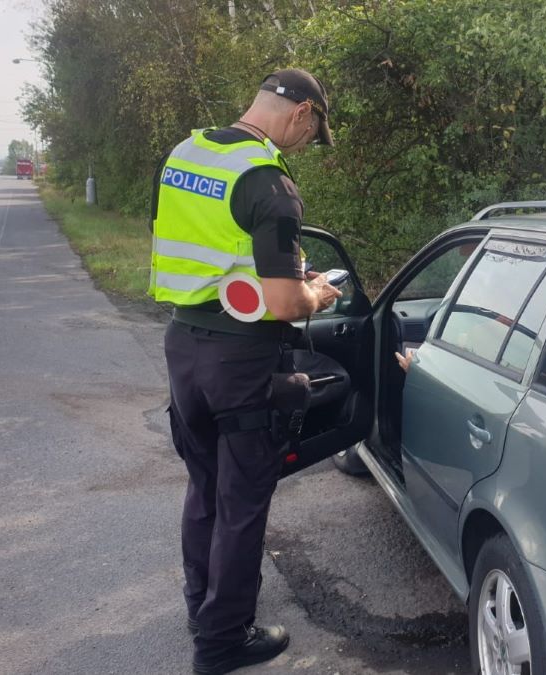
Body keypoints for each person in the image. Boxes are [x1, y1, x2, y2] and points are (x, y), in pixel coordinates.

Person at [149, 68, 341, 675]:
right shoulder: (268, 182)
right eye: (314, 133)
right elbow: (284, 305)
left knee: (204, 486)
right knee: (242, 502)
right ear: (303, 113)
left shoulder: (185, 153)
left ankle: (200, 607)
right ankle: (224, 641)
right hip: (242, 359)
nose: (308, 143)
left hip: (184, 346)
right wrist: (317, 294)